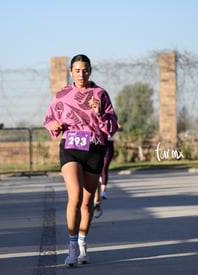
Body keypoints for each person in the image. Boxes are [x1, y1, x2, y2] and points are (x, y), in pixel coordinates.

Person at [44, 54, 118, 266]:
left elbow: (112, 126)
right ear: (71, 71)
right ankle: (72, 246)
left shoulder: (100, 94)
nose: (81, 74)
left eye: (85, 70)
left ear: (90, 70)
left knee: (87, 203)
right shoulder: (63, 94)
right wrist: (55, 127)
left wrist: (100, 112)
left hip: (94, 149)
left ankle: (83, 242)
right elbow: (49, 118)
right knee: (75, 197)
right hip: (71, 148)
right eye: (77, 70)